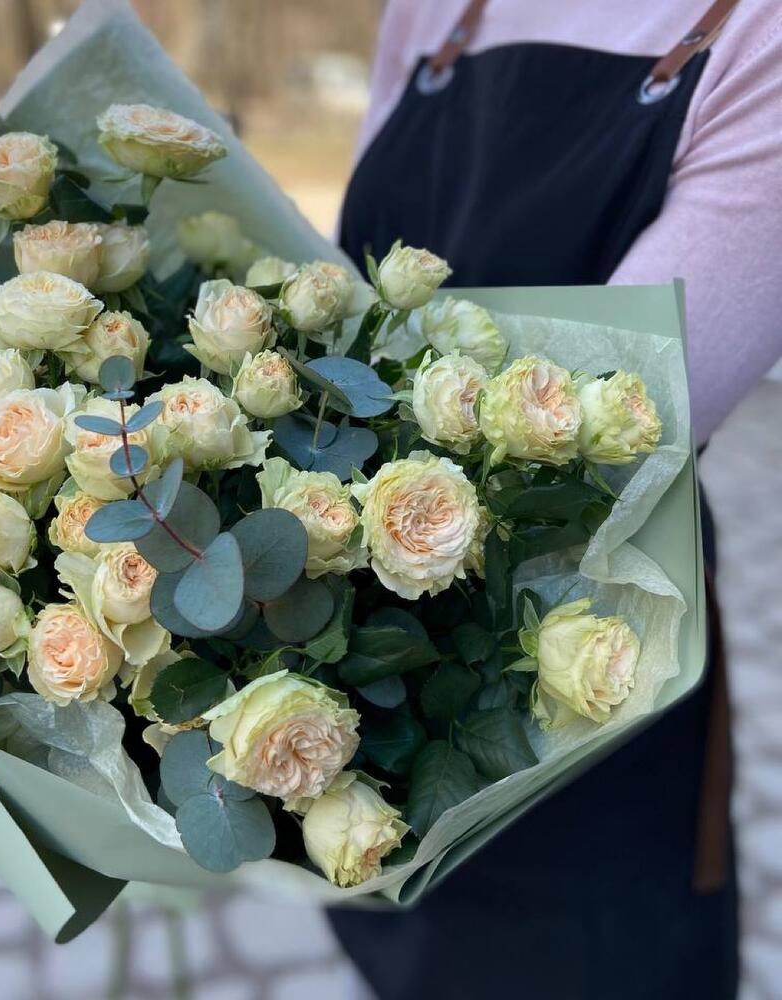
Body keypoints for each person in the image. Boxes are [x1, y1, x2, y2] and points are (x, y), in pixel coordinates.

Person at [329, 2, 782, 998]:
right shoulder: (435, 8)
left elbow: (608, 450)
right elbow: (346, 303)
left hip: (582, 680)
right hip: (365, 685)